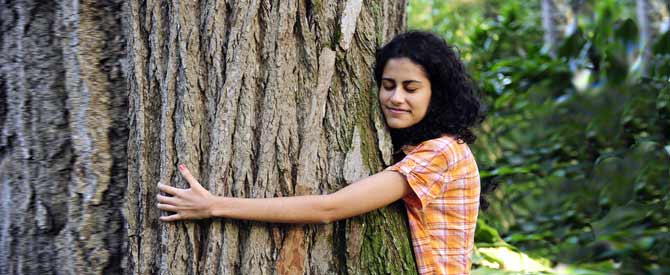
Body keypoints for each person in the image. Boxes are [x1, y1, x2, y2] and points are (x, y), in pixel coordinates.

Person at [156, 31, 484, 275]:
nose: (396, 97)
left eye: (411, 88)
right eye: (388, 85)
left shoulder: (441, 153)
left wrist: (214, 205)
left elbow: (330, 207)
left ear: (436, 93)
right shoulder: (428, 148)